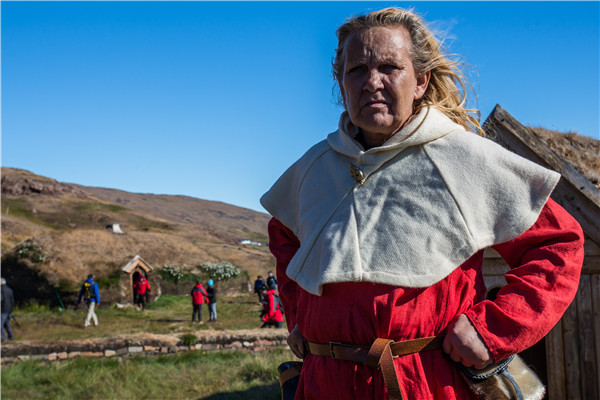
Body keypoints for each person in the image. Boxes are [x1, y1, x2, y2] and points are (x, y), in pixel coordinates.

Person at [260, 7, 584, 399]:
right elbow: (285, 237)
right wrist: (297, 316)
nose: (371, 82)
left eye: (389, 67)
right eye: (357, 70)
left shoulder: (464, 159)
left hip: (425, 382)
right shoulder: (312, 169)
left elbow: (558, 244)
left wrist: (492, 329)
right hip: (323, 382)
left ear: (420, 81)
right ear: (340, 83)